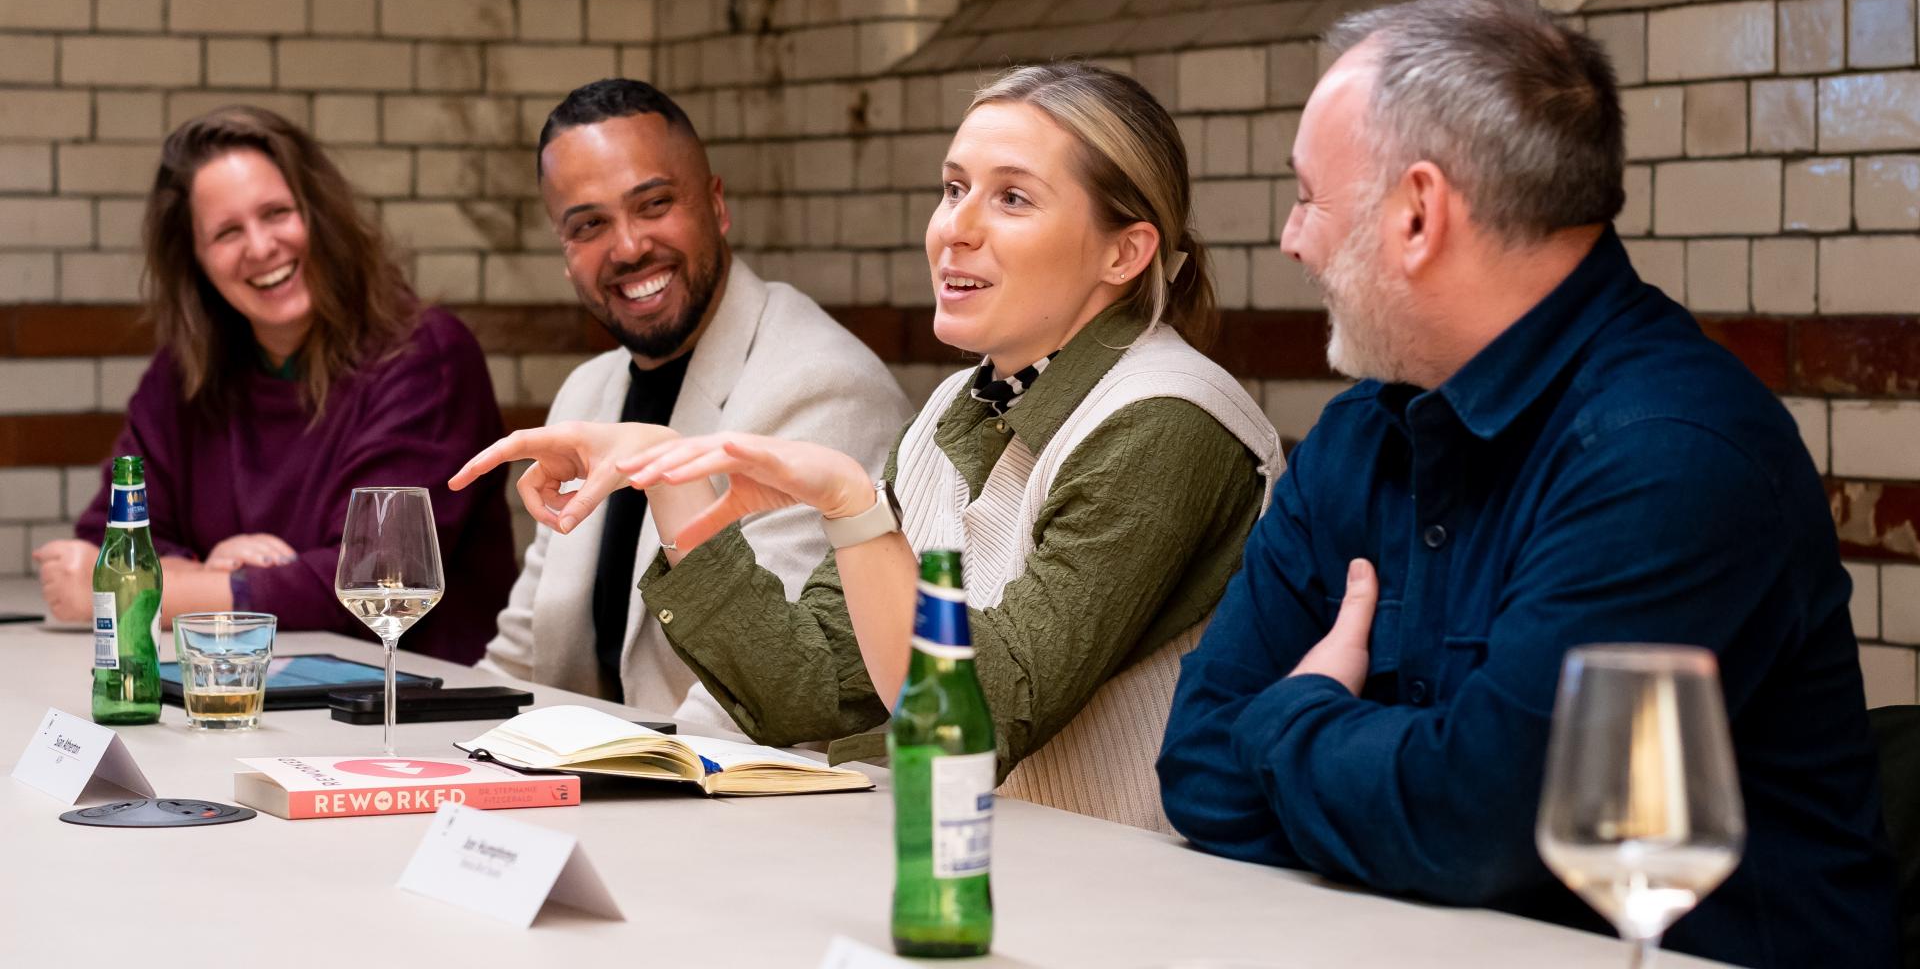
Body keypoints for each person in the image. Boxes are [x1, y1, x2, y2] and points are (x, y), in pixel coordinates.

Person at [1155, 0, 1899, 967]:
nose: (1293, 240)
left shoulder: (1671, 453)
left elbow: (1471, 825)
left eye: (1308, 197)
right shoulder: (1356, 438)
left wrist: (1294, 711)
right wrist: (1382, 781)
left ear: (1418, 213)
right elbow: (1198, 767)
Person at [455, 62, 1281, 832]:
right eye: (953, 189)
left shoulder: (1170, 418)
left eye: (1013, 199)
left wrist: (854, 511)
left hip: (1126, 901)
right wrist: (669, 477)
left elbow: (978, 720)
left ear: (1123, 251)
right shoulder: (957, 404)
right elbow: (813, 690)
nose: (954, 229)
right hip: (978, 862)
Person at [472, 79, 913, 730]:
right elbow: (518, 663)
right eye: (589, 225)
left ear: (717, 205)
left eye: (653, 204)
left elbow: (758, 701)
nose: (627, 247)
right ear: (565, 255)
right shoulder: (588, 392)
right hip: (586, 794)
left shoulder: (823, 386)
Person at [33, 106, 515, 665]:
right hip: (241, 699)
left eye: (277, 213)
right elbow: (111, 534)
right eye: (227, 232)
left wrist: (150, 590)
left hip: (408, 714)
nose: (260, 247)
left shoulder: (425, 357)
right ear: (195, 260)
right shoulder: (181, 377)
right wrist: (220, 564)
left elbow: (372, 587)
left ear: (319, 215)